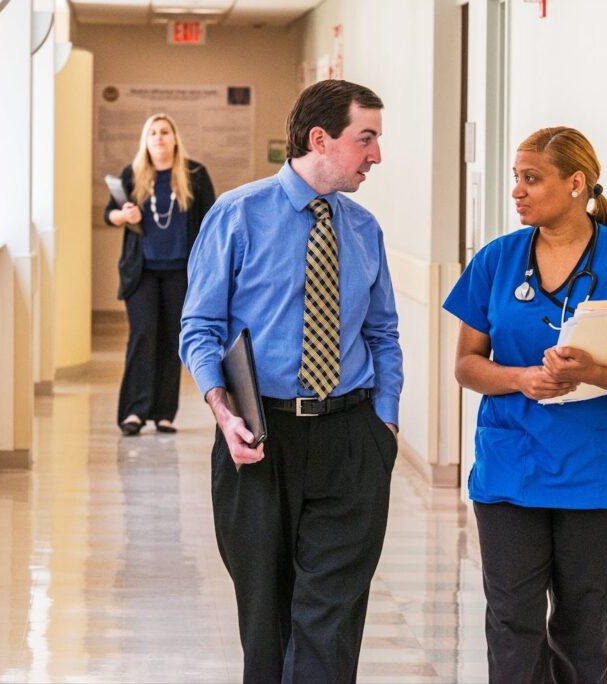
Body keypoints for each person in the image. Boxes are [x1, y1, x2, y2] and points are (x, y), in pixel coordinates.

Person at [179, 80, 403, 683]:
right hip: (259, 440)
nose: (376, 155)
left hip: (352, 438)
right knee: (266, 621)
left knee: (329, 621)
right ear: (319, 138)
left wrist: (385, 421)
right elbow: (199, 326)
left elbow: (383, 333)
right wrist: (224, 414)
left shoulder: (364, 229)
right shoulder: (237, 214)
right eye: (367, 138)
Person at [443, 126, 607, 683]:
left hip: (597, 478)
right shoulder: (497, 260)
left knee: (582, 634)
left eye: (532, 179)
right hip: (510, 470)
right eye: (516, 179)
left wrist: (594, 371)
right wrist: (521, 378)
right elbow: (466, 364)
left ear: (576, 184)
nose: (517, 191)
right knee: (511, 627)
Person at [104, 113, 215, 436]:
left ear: (175, 138)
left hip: (181, 272)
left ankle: (165, 413)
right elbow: (108, 213)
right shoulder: (134, 174)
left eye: (165, 132)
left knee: (171, 339)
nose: (159, 137)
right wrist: (122, 215)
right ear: (146, 139)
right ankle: (134, 412)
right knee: (142, 336)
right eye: (153, 132)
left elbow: (211, 221)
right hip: (142, 273)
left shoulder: (194, 174)